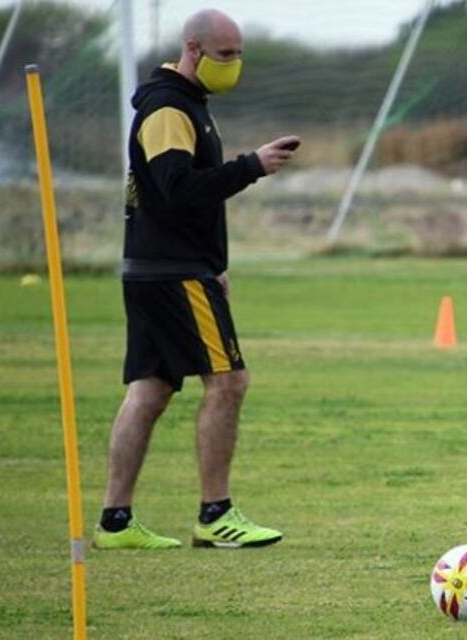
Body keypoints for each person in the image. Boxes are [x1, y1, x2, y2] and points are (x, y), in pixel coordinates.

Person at [93, 9, 299, 550]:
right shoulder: (167, 108)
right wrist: (250, 166)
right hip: (172, 272)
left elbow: (182, 199)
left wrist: (215, 263)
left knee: (151, 390)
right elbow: (176, 190)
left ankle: (115, 522)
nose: (234, 65)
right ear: (193, 48)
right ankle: (215, 513)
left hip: (161, 268)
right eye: (226, 55)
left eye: (239, 54)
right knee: (228, 381)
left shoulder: (187, 105)